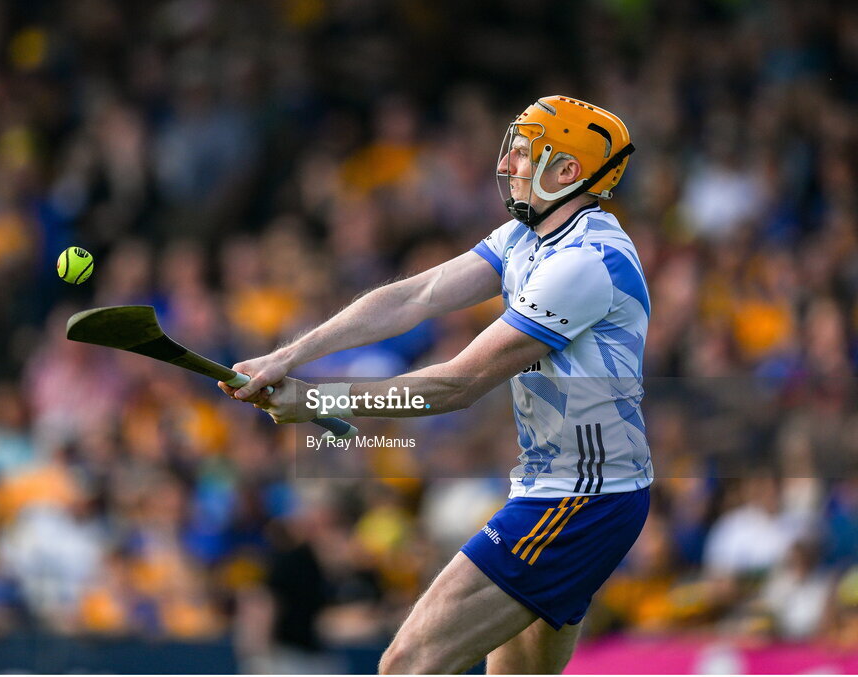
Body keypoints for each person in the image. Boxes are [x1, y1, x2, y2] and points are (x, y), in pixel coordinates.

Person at [220, 95, 652, 674]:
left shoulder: (587, 261)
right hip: (565, 492)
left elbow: (459, 383)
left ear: (568, 172)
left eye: (527, 153)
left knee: (406, 665)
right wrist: (289, 355)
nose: (509, 165)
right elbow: (413, 296)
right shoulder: (526, 239)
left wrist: (315, 397)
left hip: (582, 500)